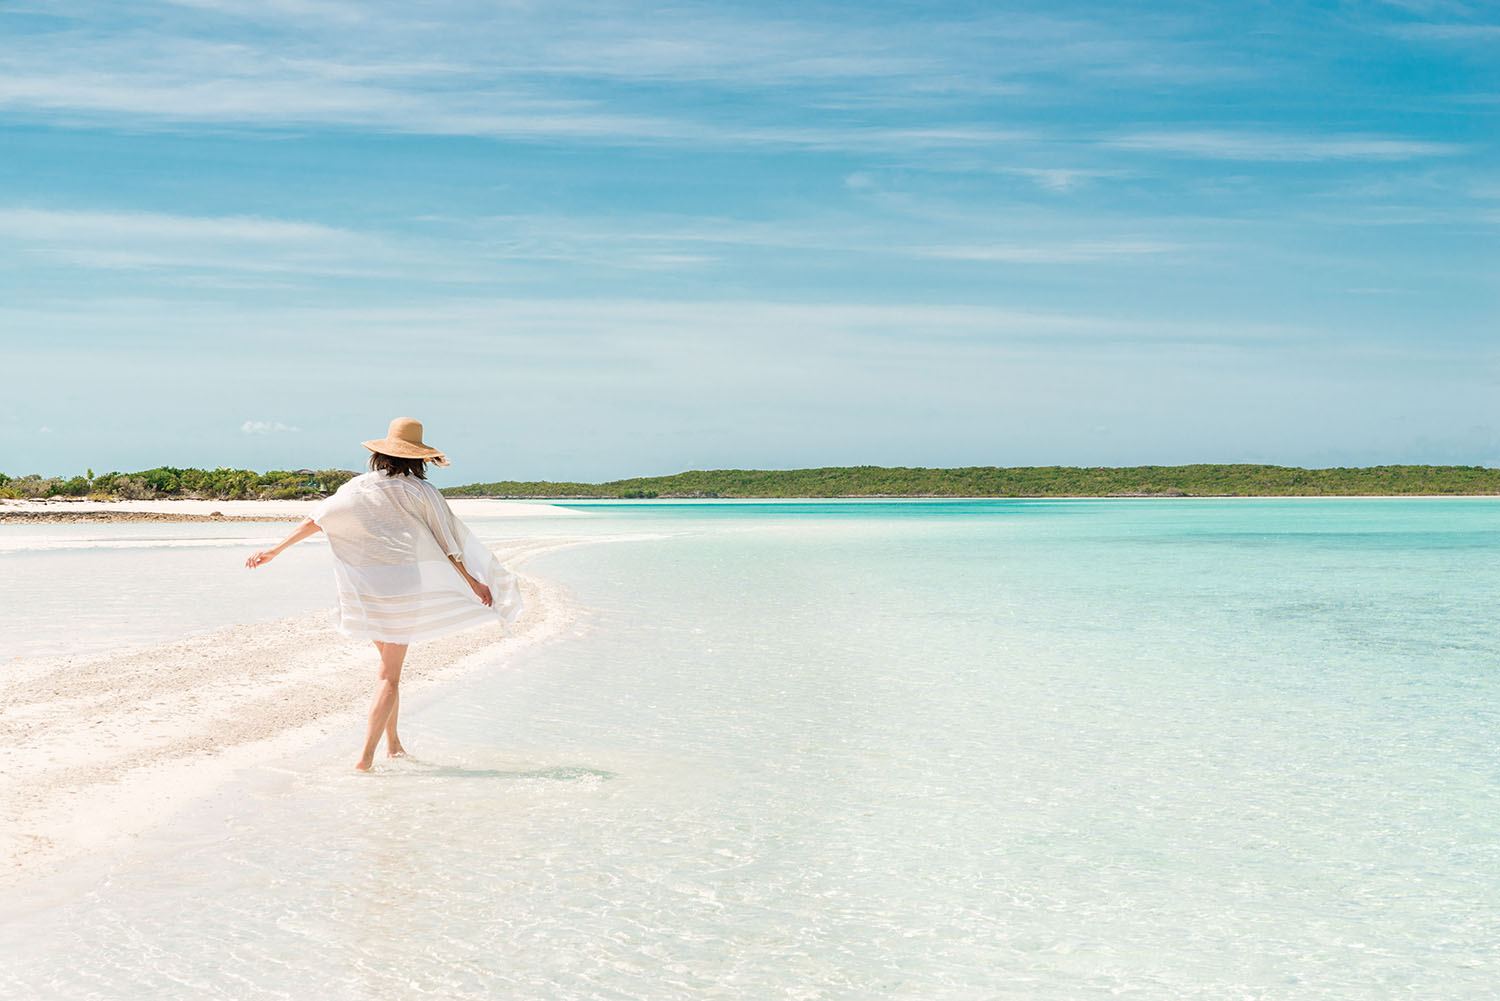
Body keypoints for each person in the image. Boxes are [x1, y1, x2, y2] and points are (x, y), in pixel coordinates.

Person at [246, 418, 521, 770]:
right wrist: (474, 582)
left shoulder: (357, 486)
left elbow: (317, 519)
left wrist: (275, 550)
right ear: (418, 458)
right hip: (404, 585)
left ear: (380, 454)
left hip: (366, 587)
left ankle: (394, 745)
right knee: (389, 677)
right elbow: (448, 543)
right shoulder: (421, 491)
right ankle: (365, 760)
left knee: (388, 669)